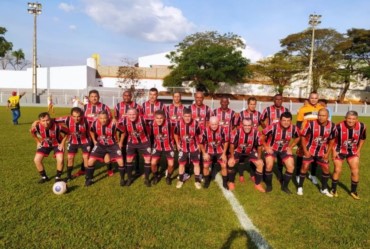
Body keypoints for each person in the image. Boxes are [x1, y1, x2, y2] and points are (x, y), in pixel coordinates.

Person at [297, 108, 336, 197]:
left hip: (322, 151)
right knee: (305, 166)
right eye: (319, 115)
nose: (321, 117)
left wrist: (327, 153)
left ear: (328, 116)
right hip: (310, 149)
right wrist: (305, 150)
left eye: (323, 115)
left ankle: (324, 189)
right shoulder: (311, 124)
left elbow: (332, 140)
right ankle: (300, 187)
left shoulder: (332, 126)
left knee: (326, 168)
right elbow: (303, 136)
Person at [331, 111, 366, 200]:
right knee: (337, 170)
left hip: (352, 151)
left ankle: (353, 191)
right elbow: (331, 139)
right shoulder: (338, 127)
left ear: (357, 119)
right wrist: (333, 150)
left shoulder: (362, 126)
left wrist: (358, 150)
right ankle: (333, 190)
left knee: (355, 171)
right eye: (349, 118)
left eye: (353, 119)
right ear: (345, 118)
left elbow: (362, 138)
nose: (351, 121)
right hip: (339, 150)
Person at [262, 112, 300, 194]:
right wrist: (266, 147)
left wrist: (290, 147)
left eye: (288, 120)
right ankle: (269, 185)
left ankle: (284, 187)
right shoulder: (273, 127)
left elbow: (298, 137)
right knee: (269, 165)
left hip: (284, 149)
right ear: (280, 120)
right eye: (284, 120)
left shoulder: (294, 128)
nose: (286, 122)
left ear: (291, 121)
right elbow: (261, 136)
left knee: (291, 167)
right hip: (272, 149)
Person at [85, 111, 125, 187]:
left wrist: (120, 142)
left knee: (121, 162)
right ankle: (89, 179)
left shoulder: (114, 124)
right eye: (101, 118)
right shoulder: (94, 123)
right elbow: (91, 131)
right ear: (98, 118)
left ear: (108, 117)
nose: (103, 120)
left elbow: (123, 132)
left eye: (105, 118)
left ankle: (122, 179)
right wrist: (94, 140)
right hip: (100, 145)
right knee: (90, 161)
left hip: (112, 145)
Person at [81, 89, 113, 177]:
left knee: (106, 151)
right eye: (92, 96)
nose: (94, 98)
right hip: (87, 133)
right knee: (86, 151)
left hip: (101, 134)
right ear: (89, 98)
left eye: (96, 96)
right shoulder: (84, 108)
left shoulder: (104, 107)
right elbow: (80, 119)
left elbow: (110, 119)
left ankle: (109, 169)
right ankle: (83, 169)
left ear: (99, 97)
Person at [228, 118, 265, 192]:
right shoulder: (236, 132)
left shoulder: (256, 133)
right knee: (230, 162)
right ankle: (231, 182)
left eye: (249, 125)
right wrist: (232, 157)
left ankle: (257, 184)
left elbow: (259, 146)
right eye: (245, 125)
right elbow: (231, 145)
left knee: (260, 164)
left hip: (250, 151)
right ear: (242, 125)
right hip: (238, 150)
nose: (247, 127)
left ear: (252, 125)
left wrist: (259, 158)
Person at [30, 112, 68, 183]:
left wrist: (63, 143)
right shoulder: (37, 126)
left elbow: (67, 132)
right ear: (40, 121)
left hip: (57, 144)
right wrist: (38, 142)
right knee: (36, 160)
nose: (46, 123)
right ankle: (44, 177)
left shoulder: (57, 126)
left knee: (60, 159)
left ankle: (58, 177)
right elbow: (32, 133)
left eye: (47, 120)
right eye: (43, 121)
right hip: (45, 144)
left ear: (50, 119)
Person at [54, 107, 91, 181]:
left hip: (85, 141)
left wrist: (113, 120)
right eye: (74, 116)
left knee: (86, 158)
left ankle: (88, 176)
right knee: (70, 158)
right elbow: (51, 120)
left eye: (78, 116)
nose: (76, 118)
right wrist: (37, 121)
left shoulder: (87, 119)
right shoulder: (67, 119)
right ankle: (68, 176)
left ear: (82, 115)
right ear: (71, 115)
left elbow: (101, 119)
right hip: (72, 141)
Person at [295, 92, 324, 185]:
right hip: (305, 136)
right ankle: (298, 174)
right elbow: (299, 124)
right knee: (300, 155)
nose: (314, 99)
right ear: (309, 98)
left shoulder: (322, 109)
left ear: (318, 99)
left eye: (315, 98)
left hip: (316, 137)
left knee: (315, 156)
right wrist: (299, 136)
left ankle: (313, 175)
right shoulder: (303, 109)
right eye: (312, 98)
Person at [261, 94, 289, 181]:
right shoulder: (267, 109)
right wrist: (266, 128)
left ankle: (279, 173)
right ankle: (265, 173)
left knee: (280, 155)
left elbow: (289, 122)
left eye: (280, 99)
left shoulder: (286, 110)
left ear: (282, 100)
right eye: (276, 99)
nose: (278, 101)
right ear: (274, 100)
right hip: (269, 137)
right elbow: (261, 119)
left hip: (281, 137)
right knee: (269, 155)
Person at [114, 90, 143, 176]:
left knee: (136, 149)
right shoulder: (118, 106)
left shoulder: (137, 106)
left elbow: (140, 117)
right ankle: (125, 166)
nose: (126, 97)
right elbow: (115, 117)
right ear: (122, 96)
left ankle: (137, 168)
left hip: (134, 130)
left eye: (128, 95)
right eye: (125, 95)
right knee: (122, 147)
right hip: (122, 130)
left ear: (131, 96)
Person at [122, 108, 153, 187]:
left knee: (147, 159)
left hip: (144, 142)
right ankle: (129, 178)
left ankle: (147, 179)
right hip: (132, 142)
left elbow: (155, 117)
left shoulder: (143, 118)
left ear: (138, 114)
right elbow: (115, 122)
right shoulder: (124, 120)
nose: (132, 116)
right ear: (127, 115)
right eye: (130, 114)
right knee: (129, 159)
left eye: (134, 114)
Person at [174, 108, 202, 189]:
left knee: (196, 164)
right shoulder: (178, 123)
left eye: (189, 116)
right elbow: (175, 134)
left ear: (191, 116)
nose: (187, 118)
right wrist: (177, 143)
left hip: (194, 147)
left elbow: (199, 134)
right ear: (182, 116)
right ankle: (181, 180)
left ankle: (197, 181)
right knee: (181, 164)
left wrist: (199, 145)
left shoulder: (196, 123)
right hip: (183, 148)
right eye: (185, 116)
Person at [237, 97, 263, 183]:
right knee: (241, 157)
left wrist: (261, 135)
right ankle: (241, 175)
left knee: (254, 158)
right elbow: (237, 126)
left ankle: (252, 174)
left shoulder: (259, 114)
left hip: (254, 140)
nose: (252, 106)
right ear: (248, 104)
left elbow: (263, 126)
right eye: (251, 104)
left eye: (254, 104)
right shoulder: (241, 114)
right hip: (243, 139)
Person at [199, 116, 229, 189]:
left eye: (216, 124)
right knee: (205, 166)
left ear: (218, 123)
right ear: (209, 124)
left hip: (220, 150)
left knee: (224, 165)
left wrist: (224, 153)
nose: (214, 126)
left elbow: (226, 141)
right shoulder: (204, 131)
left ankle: (225, 183)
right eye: (212, 124)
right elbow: (201, 143)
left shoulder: (223, 129)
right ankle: (207, 181)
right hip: (208, 151)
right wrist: (204, 153)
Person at [151, 110, 176, 185]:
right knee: (153, 163)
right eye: (157, 118)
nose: (159, 120)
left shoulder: (170, 123)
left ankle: (168, 177)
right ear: (154, 118)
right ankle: (156, 176)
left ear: (165, 118)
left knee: (171, 164)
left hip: (168, 146)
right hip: (157, 146)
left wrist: (176, 143)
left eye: (161, 118)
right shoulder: (152, 124)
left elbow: (176, 131)